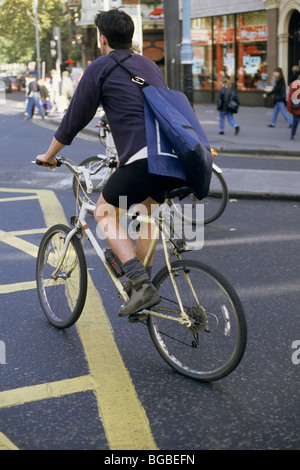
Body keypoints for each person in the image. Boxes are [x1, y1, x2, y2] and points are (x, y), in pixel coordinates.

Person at [35, 9, 187, 317]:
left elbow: (75, 118)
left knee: (104, 212)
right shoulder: (147, 64)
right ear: (129, 37)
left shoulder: (100, 67)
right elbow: (146, 107)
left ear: (102, 39)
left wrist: (49, 155)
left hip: (143, 160)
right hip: (171, 158)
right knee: (145, 214)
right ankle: (140, 289)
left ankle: (141, 286)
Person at [287, 68, 300, 140]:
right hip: (297, 106)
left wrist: (289, 108)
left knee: (295, 121)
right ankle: (292, 134)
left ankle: (292, 134)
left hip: (296, 106)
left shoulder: (294, 84)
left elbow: (290, 97)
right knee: (295, 121)